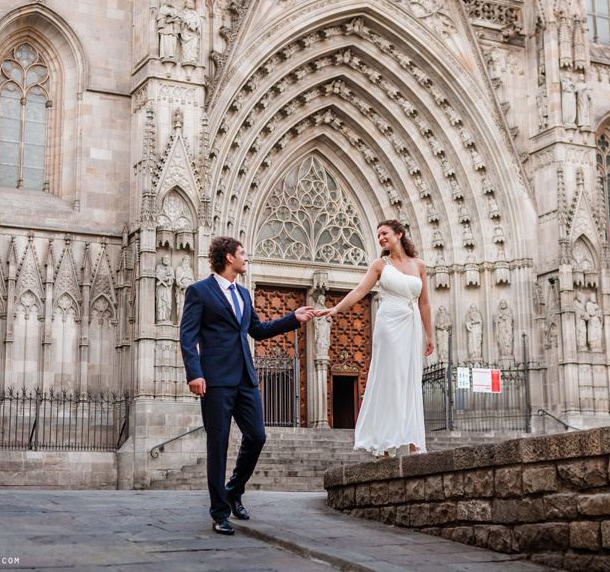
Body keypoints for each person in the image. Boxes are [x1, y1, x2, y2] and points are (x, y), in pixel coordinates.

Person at [179, 237, 314, 535]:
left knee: (257, 436)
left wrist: (294, 318)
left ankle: (234, 490)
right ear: (229, 258)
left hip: (246, 378)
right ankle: (219, 512)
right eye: (242, 253)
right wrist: (194, 373)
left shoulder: (243, 293)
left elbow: (257, 330)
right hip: (214, 380)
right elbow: (187, 337)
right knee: (218, 445)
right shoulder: (199, 291)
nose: (246, 258)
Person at [315, 220, 434, 458]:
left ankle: (409, 436)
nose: (380, 238)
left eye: (384, 233)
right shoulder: (380, 265)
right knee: (391, 378)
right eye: (378, 235)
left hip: (410, 325)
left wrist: (429, 334)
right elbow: (360, 291)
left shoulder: (419, 266)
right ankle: (385, 441)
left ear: (399, 234)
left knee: (409, 378)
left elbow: (424, 302)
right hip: (389, 323)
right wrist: (335, 309)